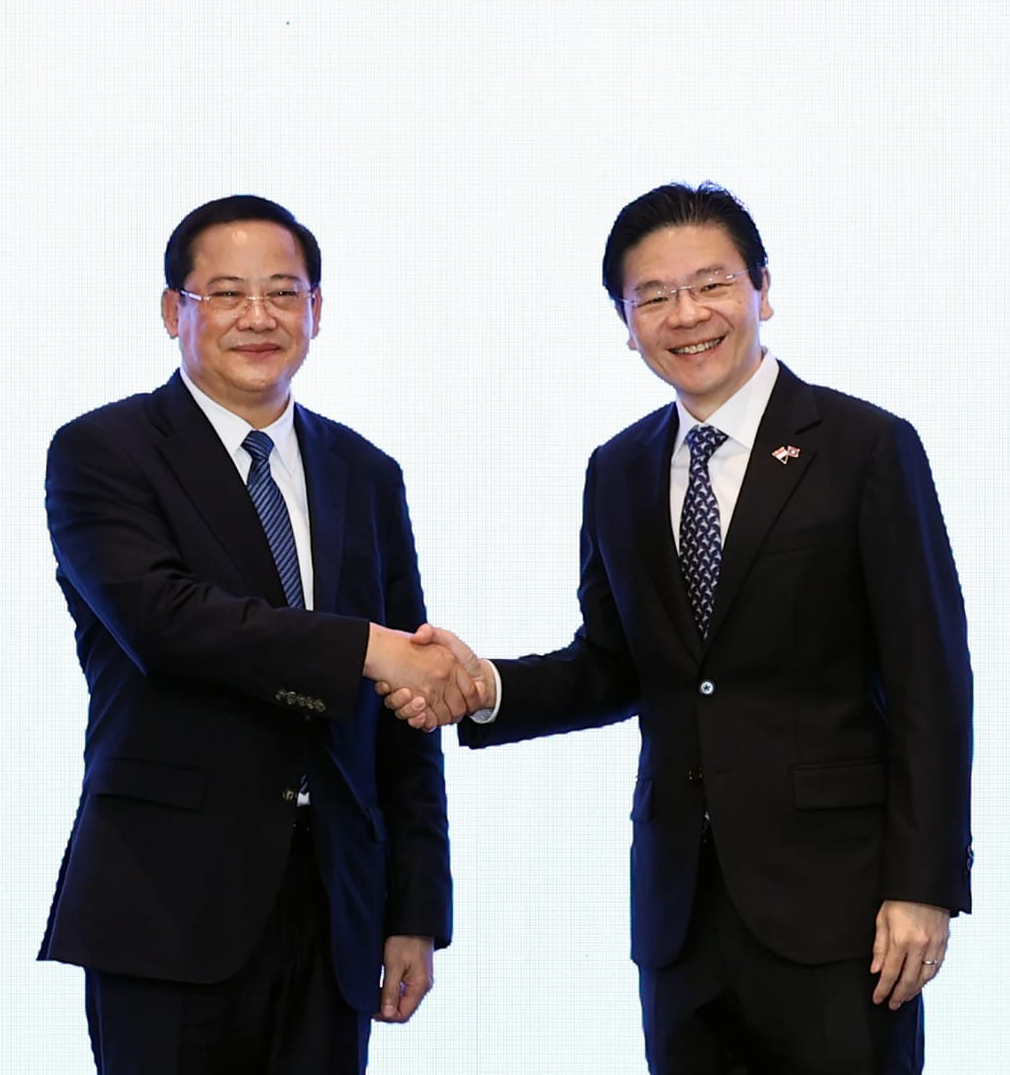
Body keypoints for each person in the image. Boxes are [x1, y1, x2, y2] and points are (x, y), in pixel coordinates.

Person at [388, 183, 972, 1075]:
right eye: (652, 296)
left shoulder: (864, 448)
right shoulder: (617, 470)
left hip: (840, 910)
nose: (686, 315)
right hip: (680, 912)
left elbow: (933, 679)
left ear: (762, 290)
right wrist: (485, 688)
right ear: (626, 321)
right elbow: (614, 665)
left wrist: (922, 885)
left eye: (711, 285)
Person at [41, 193, 481, 1074]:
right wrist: (366, 648)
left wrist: (414, 906)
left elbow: (407, 714)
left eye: (284, 293)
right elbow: (165, 624)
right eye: (226, 294)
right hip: (170, 907)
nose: (259, 317)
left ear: (316, 309)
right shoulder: (105, 451)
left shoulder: (365, 472)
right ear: (175, 311)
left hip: (335, 908)